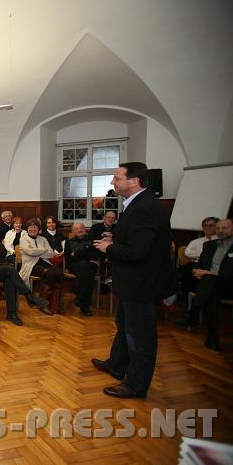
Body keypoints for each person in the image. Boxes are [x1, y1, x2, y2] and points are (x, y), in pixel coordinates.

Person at [92, 162, 173, 398]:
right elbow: (136, 239)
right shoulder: (138, 204)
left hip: (141, 284)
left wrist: (110, 247)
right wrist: (115, 237)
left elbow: (138, 252)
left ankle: (136, 385)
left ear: (133, 181)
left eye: (117, 178)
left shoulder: (144, 207)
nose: (112, 182)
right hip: (132, 283)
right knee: (124, 327)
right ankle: (117, 364)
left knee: (139, 337)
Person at [0, 221, 50, 324]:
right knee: (10, 270)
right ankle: (29, 296)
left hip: (0, 268)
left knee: (10, 280)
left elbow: (3, 252)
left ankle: (12, 314)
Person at [175, 219, 232, 350]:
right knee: (211, 287)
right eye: (218, 228)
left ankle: (193, 314)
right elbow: (199, 264)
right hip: (211, 285)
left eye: (225, 228)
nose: (221, 231)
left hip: (229, 284)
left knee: (211, 282)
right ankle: (212, 334)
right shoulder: (209, 245)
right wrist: (196, 270)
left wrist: (210, 274)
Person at [19, 219, 64, 315]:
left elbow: (51, 254)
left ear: (39, 229)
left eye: (35, 227)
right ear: (27, 229)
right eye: (31, 227)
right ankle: (43, 304)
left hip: (44, 262)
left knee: (59, 273)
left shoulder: (43, 239)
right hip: (30, 265)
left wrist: (37, 251)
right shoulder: (23, 239)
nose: (33, 229)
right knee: (49, 273)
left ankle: (55, 304)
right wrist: (43, 250)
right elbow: (30, 252)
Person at [64, 223, 102, 317]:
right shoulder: (69, 242)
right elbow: (68, 258)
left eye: (81, 228)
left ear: (85, 230)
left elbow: (95, 255)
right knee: (86, 269)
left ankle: (79, 294)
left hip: (90, 265)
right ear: (73, 232)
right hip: (75, 266)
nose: (79, 230)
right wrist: (86, 255)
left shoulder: (92, 241)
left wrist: (77, 254)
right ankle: (85, 307)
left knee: (85, 267)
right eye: (76, 229)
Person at [179, 217, 219, 296]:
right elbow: (187, 253)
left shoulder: (221, 241)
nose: (207, 227)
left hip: (214, 266)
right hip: (196, 264)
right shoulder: (196, 241)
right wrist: (204, 255)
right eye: (205, 225)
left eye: (211, 225)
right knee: (186, 273)